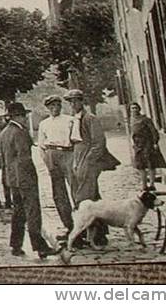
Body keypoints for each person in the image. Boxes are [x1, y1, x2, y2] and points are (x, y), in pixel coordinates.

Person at [0, 102, 58, 259]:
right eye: (23, 116)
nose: (25, 118)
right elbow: (24, 158)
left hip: (13, 179)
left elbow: (3, 159)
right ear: (17, 116)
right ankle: (40, 247)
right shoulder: (21, 133)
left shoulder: (4, 133)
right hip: (25, 179)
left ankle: (15, 245)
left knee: (18, 212)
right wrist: (32, 176)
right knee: (33, 212)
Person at [67, 88, 121, 247]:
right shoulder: (74, 119)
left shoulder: (90, 118)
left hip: (88, 162)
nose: (73, 104)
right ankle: (100, 233)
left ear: (81, 101)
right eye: (70, 102)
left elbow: (98, 143)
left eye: (75, 101)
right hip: (77, 159)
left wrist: (88, 161)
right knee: (93, 198)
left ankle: (88, 234)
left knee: (84, 199)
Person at [37, 94, 76, 237]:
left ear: (61, 106)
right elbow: (41, 145)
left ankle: (83, 224)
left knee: (75, 190)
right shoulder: (44, 124)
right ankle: (69, 225)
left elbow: (76, 140)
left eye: (57, 105)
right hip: (52, 155)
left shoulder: (70, 120)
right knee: (59, 193)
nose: (54, 108)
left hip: (68, 153)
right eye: (51, 106)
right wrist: (47, 161)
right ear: (47, 108)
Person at [129, 101, 166, 191]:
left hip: (147, 143)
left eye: (135, 108)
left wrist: (155, 143)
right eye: (132, 108)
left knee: (150, 164)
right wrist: (133, 143)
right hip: (138, 145)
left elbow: (153, 131)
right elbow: (133, 133)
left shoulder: (145, 119)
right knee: (140, 166)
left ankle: (152, 184)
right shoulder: (132, 120)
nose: (134, 110)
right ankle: (144, 185)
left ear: (139, 109)